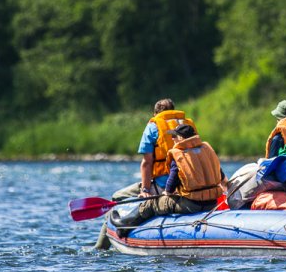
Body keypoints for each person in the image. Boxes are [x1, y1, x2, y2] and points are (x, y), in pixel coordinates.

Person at [94, 99, 195, 249]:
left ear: (155, 113)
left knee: (117, 196)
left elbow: (147, 163)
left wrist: (145, 190)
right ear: (173, 110)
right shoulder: (188, 126)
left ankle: (100, 248)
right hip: (189, 185)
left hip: (163, 185)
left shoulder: (153, 126)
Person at [110, 124, 227, 233]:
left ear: (181, 138)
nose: (172, 139)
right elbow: (220, 176)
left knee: (152, 203)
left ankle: (123, 226)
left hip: (192, 205)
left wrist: (167, 192)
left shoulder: (179, 155)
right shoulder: (207, 151)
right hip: (212, 203)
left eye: (174, 136)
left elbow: (171, 183)